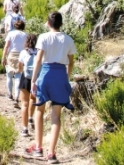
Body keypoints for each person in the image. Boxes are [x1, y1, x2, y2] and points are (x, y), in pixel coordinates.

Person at [25, 12, 76, 164]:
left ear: (48, 23)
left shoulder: (44, 37)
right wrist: (66, 78)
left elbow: (39, 59)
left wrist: (34, 80)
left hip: (46, 74)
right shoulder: (68, 39)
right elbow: (71, 62)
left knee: (39, 110)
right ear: (61, 24)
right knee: (56, 116)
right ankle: (51, 153)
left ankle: (38, 147)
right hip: (60, 75)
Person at [1, 19, 27, 105]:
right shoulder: (25, 35)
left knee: (9, 75)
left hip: (11, 55)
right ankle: (17, 97)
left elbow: (6, 46)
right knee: (18, 77)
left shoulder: (11, 34)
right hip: (21, 56)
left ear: (15, 26)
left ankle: (9, 94)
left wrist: (3, 57)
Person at [18, 33, 38, 137]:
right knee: (33, 99)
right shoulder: (39, 52)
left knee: (24, 103)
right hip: (36, 79)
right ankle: (31, 117)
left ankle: (25, 129)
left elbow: (20, 66)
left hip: (25, 78)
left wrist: (22, 72)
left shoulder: (23, 52)